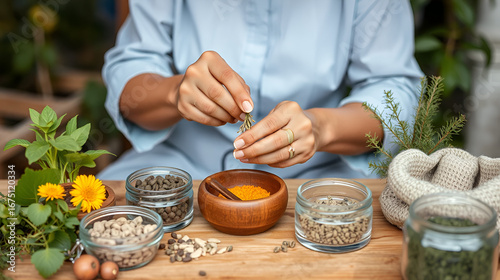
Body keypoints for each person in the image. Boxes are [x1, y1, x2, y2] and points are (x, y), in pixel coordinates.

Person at [99, 0, 423, 180]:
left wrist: (323, 127)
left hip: (319, 173)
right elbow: (131, 74)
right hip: (181, 166)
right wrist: (174, 93)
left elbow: (394, 87)